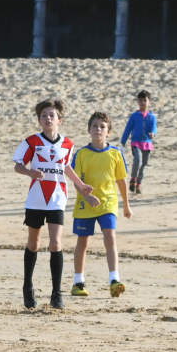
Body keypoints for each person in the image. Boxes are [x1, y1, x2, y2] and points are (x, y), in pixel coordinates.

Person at [13, 99, 91, 310]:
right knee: (34, 244)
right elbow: (17, 166)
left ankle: (56, 294)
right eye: (44, 115)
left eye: (52, 115)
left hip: (57, 198)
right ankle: (27, 286)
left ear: (59, 120)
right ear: (39, 120)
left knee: (56, 244)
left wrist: (81, 185)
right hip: (36, 198)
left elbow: (66, 167)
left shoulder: (67, 144)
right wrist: (30, 172)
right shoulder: (32, 142)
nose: (48, 118)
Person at [68, 112, 130, 299]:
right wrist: (87, 198)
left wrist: (126, 205)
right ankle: (78, 282)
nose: (98, 130)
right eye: (94, 126)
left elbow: (121, 181)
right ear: (89, 130)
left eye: (102, 127)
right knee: (83, 241)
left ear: (108, 132)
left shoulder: (115, 154)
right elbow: (76, 181)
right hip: (85, 205)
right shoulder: (81, 154)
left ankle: (114, 280)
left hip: (108, 203)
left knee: (110, 237)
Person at [120, 90, 157, 194]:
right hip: (136, 143)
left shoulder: (152, 117)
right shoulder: (134, 116)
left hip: (147, 143)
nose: (142, 103)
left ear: (149, 102)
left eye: (144, 100)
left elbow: (154, 128)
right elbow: (128, 128)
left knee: (144, 164)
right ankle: (133, 179)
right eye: (140, 100)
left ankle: (139, 183)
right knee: (138, 160)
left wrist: (153, 134)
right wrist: (123, 140)